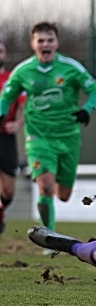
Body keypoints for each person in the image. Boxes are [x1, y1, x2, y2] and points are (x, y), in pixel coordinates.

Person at [0, 21, 96, 234]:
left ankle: (54, 191)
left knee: (63, 195)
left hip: (68, 137)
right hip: (38, 138)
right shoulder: (23, 72)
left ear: (57, 43)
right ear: (33, 44)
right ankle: (50, 236)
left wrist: (87, 109)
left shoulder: (70, 68)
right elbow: (6, 97)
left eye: (49, 40)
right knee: (45, 186)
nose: (45, 45)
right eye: (41, 41)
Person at [0, 41, 25, 234]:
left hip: (6, 138)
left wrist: (17, 123)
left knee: (8, 191)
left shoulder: (13, 79)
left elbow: (23, 106)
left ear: (5, 55)